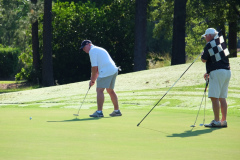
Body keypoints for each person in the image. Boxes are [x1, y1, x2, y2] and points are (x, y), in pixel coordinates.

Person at [80, 40, 122, 117]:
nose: (83, 49)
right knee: (110, 90)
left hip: (106, 71)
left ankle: (99, 112)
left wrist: (92, 80)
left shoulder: (92, 51)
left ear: (89, 44)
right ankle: (117, 111)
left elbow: (94, 68)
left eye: (84, 47)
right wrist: (93, 80)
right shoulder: (98, 49)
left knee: (99, 90)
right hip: (113, 70)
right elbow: (97, 69)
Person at [201, 28, 231, 127]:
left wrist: (202, 54)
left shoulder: (209, 45)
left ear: (209, 35)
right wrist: (208, 72)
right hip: (226, 72)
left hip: (217, 73)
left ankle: (217, 121)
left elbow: (204, 59)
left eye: (205, 36)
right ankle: (223, 120)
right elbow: (216, 60)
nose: (205, 38)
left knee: (214, 97)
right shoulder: (221, 43)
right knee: (222, 97)